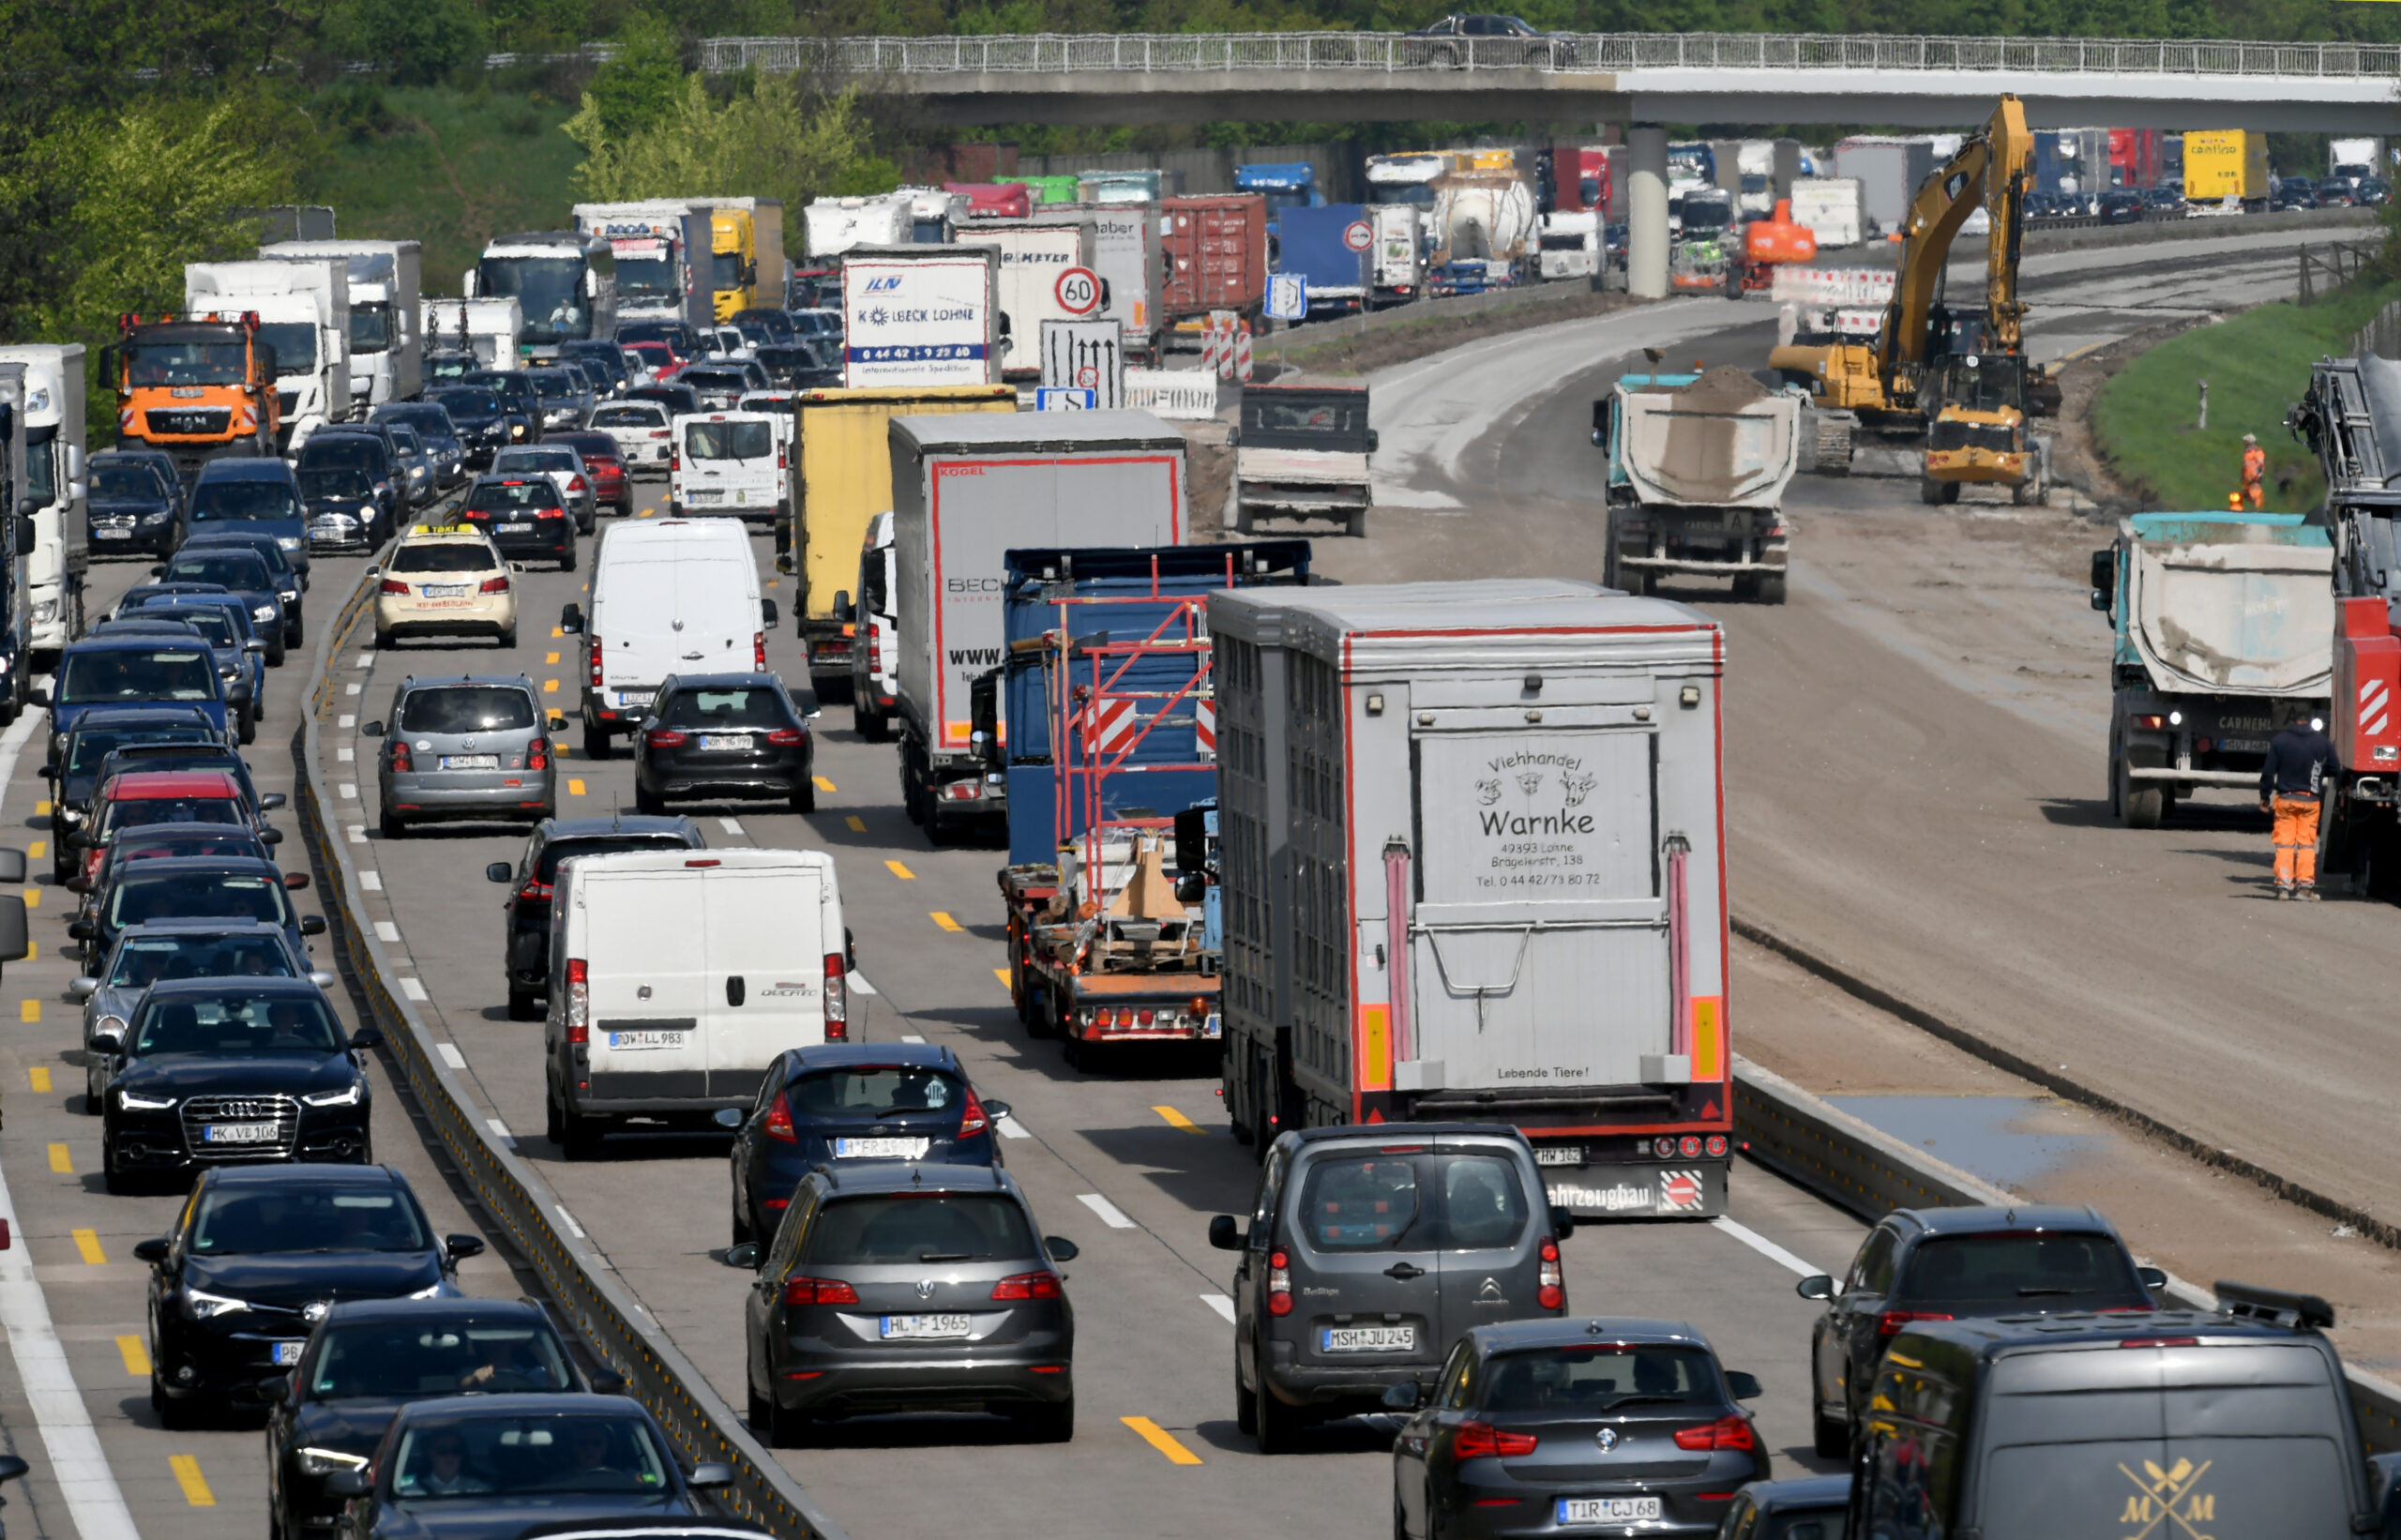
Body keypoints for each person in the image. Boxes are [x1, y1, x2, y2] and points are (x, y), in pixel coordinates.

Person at [2260, 714, 2338, 899]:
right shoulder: (2322, 742)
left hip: (2286, 799)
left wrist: (2264, 796)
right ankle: (2305, 887)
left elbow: (2268, 771)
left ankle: (2283, 887)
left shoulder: (2280, 741)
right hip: (2310, 801)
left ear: (2292, 722)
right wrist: (2318, 773)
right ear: (2310, 722)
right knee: (2306, 845)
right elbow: (2335, 768)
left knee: (2285, 844)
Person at [2241, 432, 2267, 510]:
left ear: (2249, 441)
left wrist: (2258, 475)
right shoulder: (2247, 452)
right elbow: (2245, 465)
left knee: (2256, 494)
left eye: (2245, 440)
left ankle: (2258, 511)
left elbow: (2260, 465)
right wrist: (2242, 476)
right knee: (2246, 494)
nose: (2244, 442)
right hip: (2247, 478)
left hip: (2255, 477)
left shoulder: (2257, 451)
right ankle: (2253, 509)